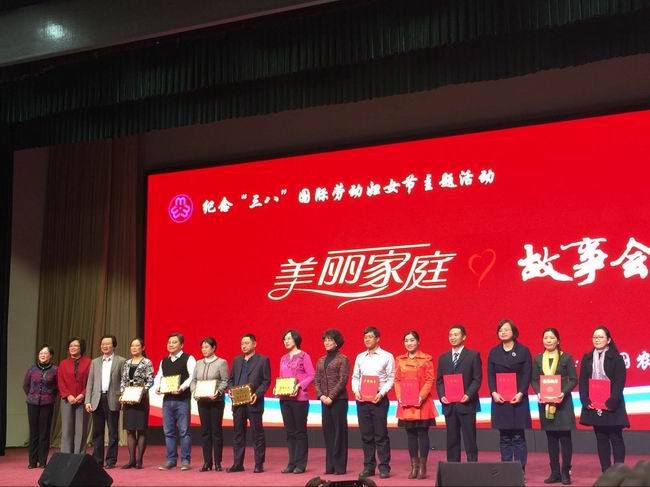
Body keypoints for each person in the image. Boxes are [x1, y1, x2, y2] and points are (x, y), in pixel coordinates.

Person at [578, 326, 629, 473]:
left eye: (600, 337)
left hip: (613, 404)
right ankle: (606, 472)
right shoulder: (587, 358)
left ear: (608, 340)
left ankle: (619, 472)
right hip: (594, 404)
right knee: (601, 438)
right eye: (595, 337)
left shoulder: (617, 358)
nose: (597, 339)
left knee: (616, 438)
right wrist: (585, 400)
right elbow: (583, 381)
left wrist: (611, 401)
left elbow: (620, 382)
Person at [531, 328, 577, 485]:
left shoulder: (566, 357)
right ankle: (555, 472)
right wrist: (538, 393)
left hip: (563, 403)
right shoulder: (538, 359)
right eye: (545, 338)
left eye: (551, 338)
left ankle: (566, 472)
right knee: (551, 438)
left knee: (565, 438)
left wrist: (563, 393)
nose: (548, 340)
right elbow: (534, 379)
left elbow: (573, 379)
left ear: (558, 340)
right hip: (546, 404)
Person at [487, 319, 532, 472]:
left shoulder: (523, 351)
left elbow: (527, 374)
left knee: (518, 437)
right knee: (504, 437)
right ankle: (506, 471)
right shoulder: (494, 352)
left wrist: (521, 392)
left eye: (506, 329)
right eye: (500, 330)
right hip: (500, 400)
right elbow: (490, 375)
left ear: (513, 332)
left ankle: (519, 470)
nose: (503, 332)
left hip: (518, 399)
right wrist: (493, 392)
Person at [351, 326, 395, 479]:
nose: (367, 340)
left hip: (379, 400)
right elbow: (355, 377)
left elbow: (391, 378)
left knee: (381, 435)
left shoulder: (387, 356)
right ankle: (369, 467)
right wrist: (356, 391)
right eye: (365, 337)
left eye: (370, 337)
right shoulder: (360, 357)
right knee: (366, 435)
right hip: (362, 400)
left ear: (377, 339)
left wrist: (381, 394)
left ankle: (384, 467)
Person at [435, 325, 482, 463]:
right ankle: (452, 466)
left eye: (456, 334)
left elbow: (477, 379)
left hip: (467, 403)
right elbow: (439, 381)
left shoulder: (473, 355)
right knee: (452, 438)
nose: (453, 337)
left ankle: (472, 466)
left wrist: (468, 394)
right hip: (449, 405)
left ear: (464, 337)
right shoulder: (443, 358)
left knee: (470, 438)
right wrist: (442, 395)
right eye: (450, 335)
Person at [395, 331, 437, 480]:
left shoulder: (426, 359)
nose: (409, 343)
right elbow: (397, 380)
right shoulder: (400, 360)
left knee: (422, 433)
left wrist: (421, 396)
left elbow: (430, 380)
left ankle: (423, 467)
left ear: (418, 342)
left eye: (412, 340)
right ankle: (414, 467)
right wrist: (399, 396)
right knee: (410, 434)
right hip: (406, 402)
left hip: (422, 402)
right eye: (406, 340)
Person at [227, 333, 271, 473]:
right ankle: (237, 463)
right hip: (238, 403)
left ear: (254, 344)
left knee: (257, 433)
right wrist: (231, 391)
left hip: (254, 401)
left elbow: (266, 381)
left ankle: (259, 464)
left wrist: (257, 394)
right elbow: (231, 380)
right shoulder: (237, 360)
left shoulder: (262, 360)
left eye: (246, 343)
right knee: (238, 434)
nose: (244, 346)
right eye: (242, 344)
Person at [154, 332, 196, 471]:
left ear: (181, 345)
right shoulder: (164, 360)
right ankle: (171, 460)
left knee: (184, 431)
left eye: (174, 342)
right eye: (169, 342)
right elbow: (159, 376)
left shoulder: (189, 358)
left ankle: (185, 460)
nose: (171, 344)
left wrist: (181, 387)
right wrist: (158, 387)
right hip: (167, 400)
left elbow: (192, 376)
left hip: (182, 400)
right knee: (169, 432)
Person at [277, 329, 315, 474]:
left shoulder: (304, 356)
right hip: (285, 399)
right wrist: (277, 388)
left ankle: (300, 464)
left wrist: (299, 385)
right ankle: (291, 463)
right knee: (290, 432)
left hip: (299, 399)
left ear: (296, 340)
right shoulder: (283, 358)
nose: (286, 341)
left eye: (289, 338)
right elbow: (282, 377)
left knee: (300, 432)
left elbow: (311, 375)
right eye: (284, 339)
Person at [85, 335, 126, 468]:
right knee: (97, 432)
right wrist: (87, 400)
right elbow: (90, 383)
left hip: (113, 398)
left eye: (108, 344)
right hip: (97, 399)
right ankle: (97, 460)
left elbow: (124, 381)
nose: (105, 346)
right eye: (103, 344)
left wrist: (123, 396)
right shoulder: (95, 362)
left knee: (113, 432)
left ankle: (111, 460)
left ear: (114, 346)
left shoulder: (121, 361)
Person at [190, 336, 229, 472]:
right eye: (202, 347)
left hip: (216, 401)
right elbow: (194, 380)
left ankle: (218, 462)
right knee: (205, 432)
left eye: (207, 347)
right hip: (202, 401)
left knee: (216, 431)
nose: (204, 349)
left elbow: (225, 380)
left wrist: (218, 392)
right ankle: (207, 462)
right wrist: (194, 391)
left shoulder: (221, 362)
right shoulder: (198, 363)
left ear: (213, 348)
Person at [314, 328, 350, 476]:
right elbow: (316, 380)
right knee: (328, 433)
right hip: (324, 401)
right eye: (325, 340)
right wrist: (321, 396)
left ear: (337, 342)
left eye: (330, 340)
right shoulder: (321, 360)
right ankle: (330, 466)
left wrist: (331, 397)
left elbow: (343, 380)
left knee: (339, 433)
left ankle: (340, 467)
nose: (327, 342)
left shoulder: (343, 359)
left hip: (339, 401)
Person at [119, 337, 154, 469]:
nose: (134, 348)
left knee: (141, 430)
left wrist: (141, 392)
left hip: (141, 399)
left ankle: (139, 460)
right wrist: (123, 394)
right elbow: (123, 380)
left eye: (137, 345)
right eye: (132, 346)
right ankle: (131, 460)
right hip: (128, 400)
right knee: (130, 430)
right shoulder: (127, 363)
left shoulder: (147, 362)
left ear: (142, 348)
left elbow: (150, 380)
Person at [23, 344, 58, 469]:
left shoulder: (55, 370)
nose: (43, 355)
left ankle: (42, 461)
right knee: (34, 432)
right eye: (41, 353)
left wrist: (49, 396)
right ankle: (32, 461)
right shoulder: (32, 369)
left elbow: (57, 387)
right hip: (32, 403)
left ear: (50, 355)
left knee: (44, 433)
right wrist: (32, 395)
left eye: (45, 353)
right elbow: (26, 385)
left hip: (47, 404)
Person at [58, 337, 91, 454]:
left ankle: (79, 455)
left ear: (81, 348)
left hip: (82, 400)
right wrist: (68, 395)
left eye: (76, 346)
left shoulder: (89, 362)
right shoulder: (63, 363)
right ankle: (66, 455)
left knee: (81, 430)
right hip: (67, 400)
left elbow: (91, 381)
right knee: (67, 429)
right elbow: (60, 382)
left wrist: (83, 394)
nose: (73, 348)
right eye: (71, 346)